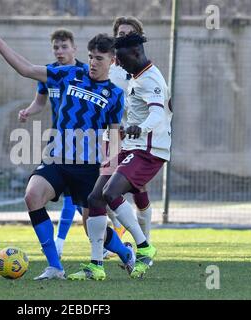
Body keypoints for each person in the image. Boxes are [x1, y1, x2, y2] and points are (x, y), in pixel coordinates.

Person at [0, 19, 132, 280]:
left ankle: (125, 253)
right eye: (91, 57)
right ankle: (55, 266)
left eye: (100, 58)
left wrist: (110, 172)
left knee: (92, 229)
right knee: (32, 196)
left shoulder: (115, 94)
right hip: (57, 159)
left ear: (112, 61)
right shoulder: (67, 73)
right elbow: (26, 69)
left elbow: (114, 135)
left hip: (88, 167)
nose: (93, 62)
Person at [69, 33, 172, 280]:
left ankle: (145, 247)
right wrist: (127, 130)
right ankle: (96, 266)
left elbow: (157, 115)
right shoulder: (135, 75)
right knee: (95, 198)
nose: (118, 62)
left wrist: (141, 128)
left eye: (121, 58)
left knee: (110, 193)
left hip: (148, 150)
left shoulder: (152, 79)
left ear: (136, 52)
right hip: (130, 145)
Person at [18, 29, 86, 258]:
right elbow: (40, 102)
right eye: (56, 47)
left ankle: (110, 243)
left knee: (83, 202)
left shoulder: (85, 72)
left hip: (82, 145)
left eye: (64, 46)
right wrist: (29, 111)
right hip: (56, 143)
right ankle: (59, 245)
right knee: (69, 196)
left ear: (74, 48)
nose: (59, 51)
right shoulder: (49, 73)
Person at [103, 16, 153, 260]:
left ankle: (146, 243)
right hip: (111, 136)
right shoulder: (107, 67)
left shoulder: (139, 69)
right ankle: (120, 241)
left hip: (135, 138)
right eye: (119, 33)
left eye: (128, 33)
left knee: (138, 188)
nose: (122, 36)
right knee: (105, 187)